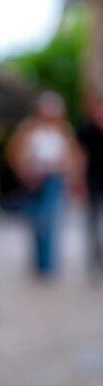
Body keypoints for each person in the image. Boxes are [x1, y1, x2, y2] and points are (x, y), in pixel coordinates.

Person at [6, 92, 81, 276]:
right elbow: (14, 151)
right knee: (36, 219)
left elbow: (72, 156)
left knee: (49, 218)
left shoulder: (63, 130)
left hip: (53, 178)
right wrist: (25, 169)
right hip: (33, 178)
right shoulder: (28, 128)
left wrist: (67, 173)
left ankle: (48, 263)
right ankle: (39, 261)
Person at [77, 96, 103, 273]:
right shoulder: (86, 133)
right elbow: (79, 158)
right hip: (93, 181)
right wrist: (78, 181)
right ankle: (95, 259)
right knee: (92, 222)